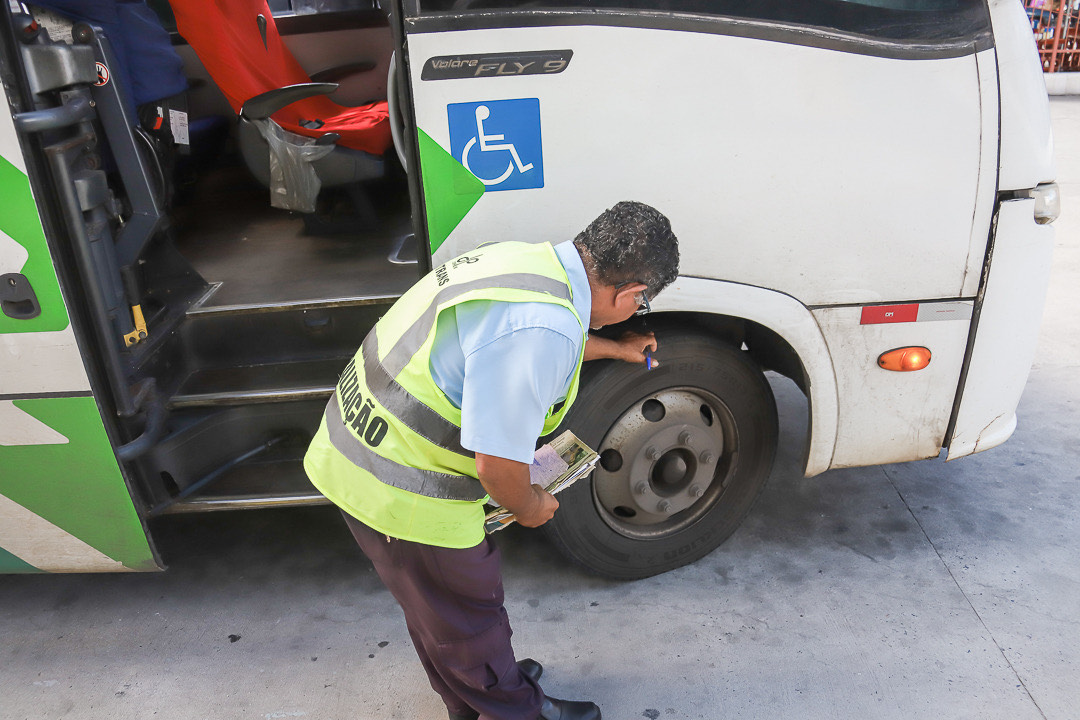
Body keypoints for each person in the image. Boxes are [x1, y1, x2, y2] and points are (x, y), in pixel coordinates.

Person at [303, 201, 680, 720]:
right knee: (466, 617)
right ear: (630, 292)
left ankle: (473, 698)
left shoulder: (521, 262)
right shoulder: (541, 329)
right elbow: (497, 466)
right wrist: (531, 505)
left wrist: (614, 350)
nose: (636, 312)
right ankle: (514, 709)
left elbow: (510, 340)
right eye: (641, 304)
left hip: (359, 450)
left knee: (437, 612)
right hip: (405, 492)